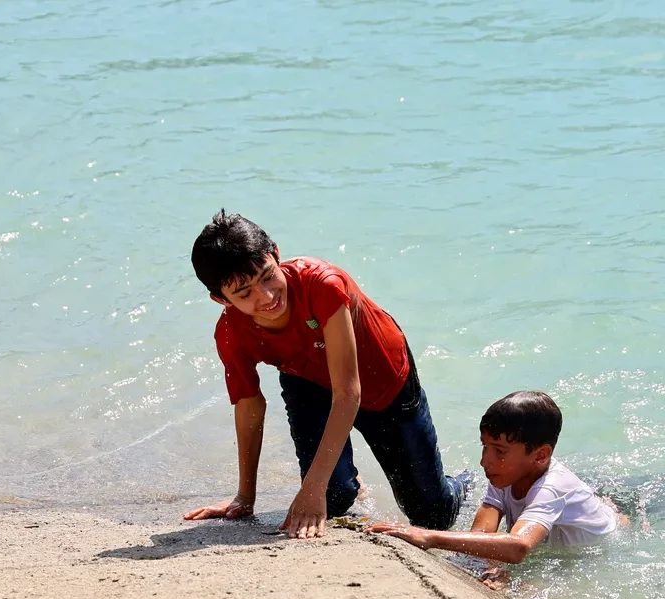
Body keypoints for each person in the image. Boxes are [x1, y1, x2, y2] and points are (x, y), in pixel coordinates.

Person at [183, 210, 470, 538]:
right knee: (333, 497)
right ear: (221, 299)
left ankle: (463, 482)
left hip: (382, 379)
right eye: (244, 293)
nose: (266, 297)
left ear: (276, 255)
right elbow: (249, 406)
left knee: (432, 516)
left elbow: (349, 393)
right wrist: (245, 498)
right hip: (308, 380)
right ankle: (349, 483)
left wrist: (311, 488)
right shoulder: (231, 333)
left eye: (267, 276)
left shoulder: (321, 284)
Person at [366, 391, 624, 567]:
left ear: (540, 455)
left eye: (499, 450)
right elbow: (481, 534)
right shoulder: (506, 471)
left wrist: (428, 537)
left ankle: (619, 510)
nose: (485, 461)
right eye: (484, 446)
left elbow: (519, 546)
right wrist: (492, 566)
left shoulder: (552, 488)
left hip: (606, 538)